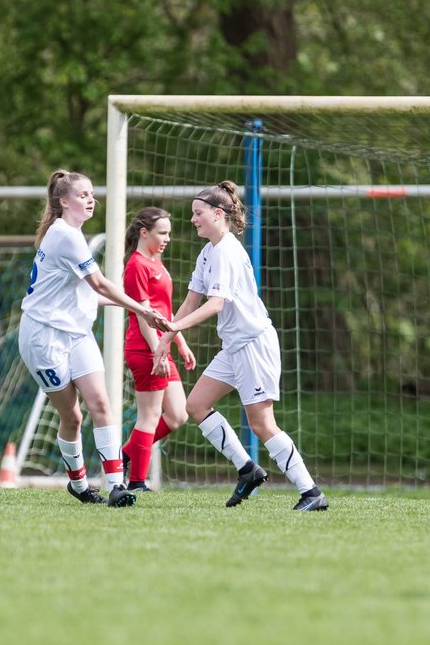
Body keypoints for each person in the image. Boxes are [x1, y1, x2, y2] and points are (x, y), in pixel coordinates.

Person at [156, 181, 328, 511]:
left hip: (253, 344)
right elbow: (192, 301)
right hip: (234, 347)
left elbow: (216, 304)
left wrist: (174, 327)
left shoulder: (227, 252)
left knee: (263, 424)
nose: (193, 220)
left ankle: (311, 492)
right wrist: (167, 339)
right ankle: (248, 469)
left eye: (198, 213)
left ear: (218, 214)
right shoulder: (208, 252)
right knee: (196, 405)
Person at [19, 170, 168, 507]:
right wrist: (141, 310)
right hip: (43, 338)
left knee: (101, 403)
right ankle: (79, 484)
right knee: (73, 417)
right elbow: (99, 284)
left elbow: (89, 294)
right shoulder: (65, 236)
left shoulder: (72, 236)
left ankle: (117, 486)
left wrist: (133, 303)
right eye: (83, 195)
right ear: (63, 201)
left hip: (76, 334)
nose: (91, 200)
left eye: (91, 194)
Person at [120, 207, 195, 491]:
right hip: (145, 348)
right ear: (144, 232)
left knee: (178, 414)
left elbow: (164, 311)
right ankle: (137, 482)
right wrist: (157, 352)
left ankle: (125, 455)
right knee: (149, 416)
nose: (167, 239)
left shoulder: (156, 261)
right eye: (162, 233)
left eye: (169, 233)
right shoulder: (137, 265)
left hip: (161, 346)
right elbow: (143, 315)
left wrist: (180, 342)